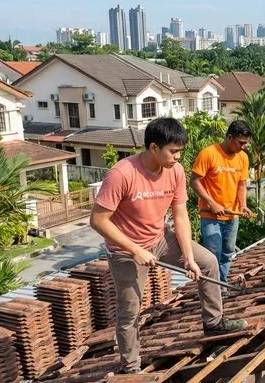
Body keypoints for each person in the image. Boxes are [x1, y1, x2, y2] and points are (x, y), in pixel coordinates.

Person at [90, 117, 247, 374]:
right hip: (126, 252)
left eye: (180, 152)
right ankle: (130, 367)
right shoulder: (122, 174)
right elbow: (97, 220)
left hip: (161, 239)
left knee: (207, 262)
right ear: (153, 147)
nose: (177, 157)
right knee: (130, 309)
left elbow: (180, 215)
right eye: (173, 152)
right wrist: (135, 250)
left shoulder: (175, 172)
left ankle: (214, 322)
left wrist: (188, 257)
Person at [190, 120, 253, 283]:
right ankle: (212, 289)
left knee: (227, 253)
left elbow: (242, 184)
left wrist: (243, 205)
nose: (243, 146)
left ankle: (222, 285)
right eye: (241, 143)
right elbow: (194, 181)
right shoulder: (209, 154)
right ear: (229, 137)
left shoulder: (243, 158)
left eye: (246, 143)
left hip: (232, 218)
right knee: (212, 255)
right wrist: (211, 203)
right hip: (211, 218)